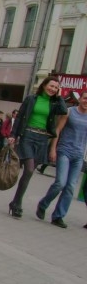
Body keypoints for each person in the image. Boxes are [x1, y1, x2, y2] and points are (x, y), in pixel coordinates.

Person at [7, 76, 68, 218]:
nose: (52, 89)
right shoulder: (31, 99)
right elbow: (21, 116)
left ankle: (15, 202)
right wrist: (13, 135)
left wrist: (59, 97)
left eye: (55, 87)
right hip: (28, 135)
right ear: (44, 85)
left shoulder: (54, 103)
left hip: (42, 139)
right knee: (28, 169)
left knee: (29, 173)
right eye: (51, 86)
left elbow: (64, 111)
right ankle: (18, 203)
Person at [35, 91, 87, 228]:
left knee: (70, 187)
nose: (86, 101)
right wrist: (53, 149)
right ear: (80, 99)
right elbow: (57, 130)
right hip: (64, 151)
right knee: (60, 183)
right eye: (85, 98)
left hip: (79, 155)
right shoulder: (69, 112)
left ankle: (58, 216)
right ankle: (43, 204)